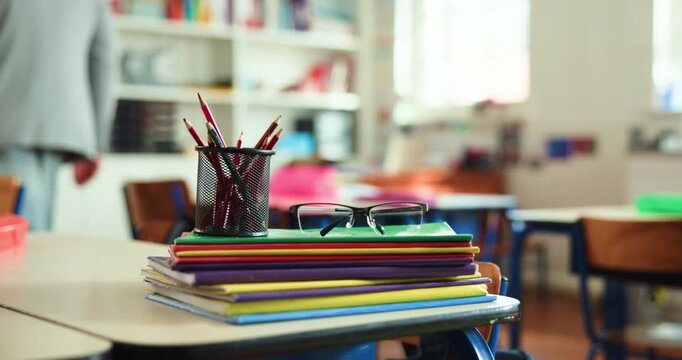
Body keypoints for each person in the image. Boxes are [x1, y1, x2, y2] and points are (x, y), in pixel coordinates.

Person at [0, 0, 115, 230]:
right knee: (33, 237)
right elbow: (104, 65)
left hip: (8, 124)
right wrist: (96, 143)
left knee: (20, 241)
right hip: (65, 128)